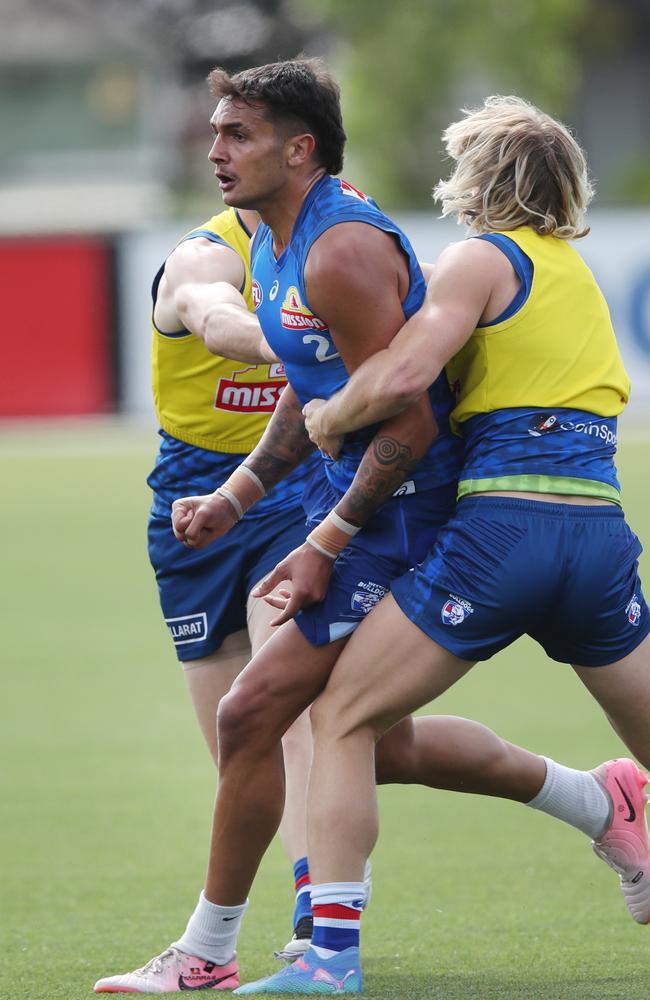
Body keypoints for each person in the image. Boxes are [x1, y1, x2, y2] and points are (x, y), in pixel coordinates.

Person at [94, 68, 646, 996]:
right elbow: (323, 384)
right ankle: (604, 802)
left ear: (299, 147)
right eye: (217, 132)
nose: (216, 148)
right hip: (565, 520)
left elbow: (405, 404)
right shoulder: (286, 244)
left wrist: (325, 535)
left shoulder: (368, 252)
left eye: (238, 133)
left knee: (291, 719)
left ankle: (253, 953)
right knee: (342, 733)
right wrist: (239, 492)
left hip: (428, 520)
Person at [145, 203, 320, 962]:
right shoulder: (201, 259)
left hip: (293, 496)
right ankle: (588, 798)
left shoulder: (335, 246)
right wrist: (310, 340)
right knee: (243, 744)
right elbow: (216, 324)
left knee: (279, 710)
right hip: (192, 512)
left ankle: (320, 906)